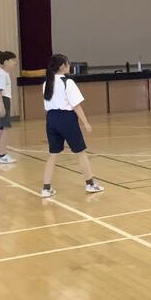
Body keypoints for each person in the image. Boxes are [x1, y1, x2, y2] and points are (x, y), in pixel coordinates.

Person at [41, 54, 104, 197]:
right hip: (66, 118)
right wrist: (85, 122)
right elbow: (76, 105)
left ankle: (46, 188)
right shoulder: (67, 82)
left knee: (53, 155)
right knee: (80, 152)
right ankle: (90, 184)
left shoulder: (47, 82)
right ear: (62, 66)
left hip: (51, 118)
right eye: (68, 63)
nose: (69, 66)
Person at [0, 51, 17, 163]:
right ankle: (2, 155)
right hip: (2, 101)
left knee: (1, 129)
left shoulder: (2, 73)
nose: (14, 63)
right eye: (12, 60)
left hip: (2, 100)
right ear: (6, 62)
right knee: (5, 129)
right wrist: (1, 106)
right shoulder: (2, 74)